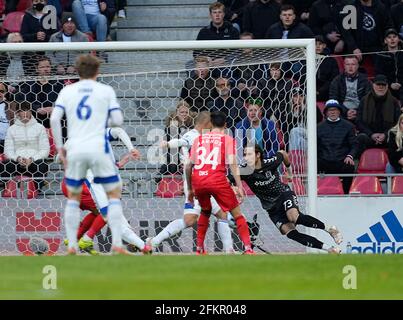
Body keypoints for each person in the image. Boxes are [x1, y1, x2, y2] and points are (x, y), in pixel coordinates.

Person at [50, 54, 126, 255]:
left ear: (77, 71)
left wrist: (59, 148)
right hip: (98, 148)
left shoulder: (68, 91)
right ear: (97, 72)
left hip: (75, 147)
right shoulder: (105, 90)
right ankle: (117, 244)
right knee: (113, 196)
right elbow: (118, 120)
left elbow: (55, 119)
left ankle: (72, 246)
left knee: (73, 199)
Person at [148, 112, 235, 254]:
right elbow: (181, 142)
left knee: (222, 214)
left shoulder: (207, 137)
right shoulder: (192, 135)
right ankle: (154, 242)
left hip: (206, 181)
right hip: (194, 184)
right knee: (189, 220)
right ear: (206, 123)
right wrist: (168, 144)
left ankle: (229, 250)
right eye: (211, 123)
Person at [232, 145, 343, 253]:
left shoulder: (271, 162)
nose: (246, 157)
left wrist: (289, 171)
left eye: (249, 154)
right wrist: (235, 188)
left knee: (294, 217)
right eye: (245, 155)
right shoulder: (244, 170)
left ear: (258, 155)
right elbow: (227, 179)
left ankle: (329, 229)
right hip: (271, 208)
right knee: (290, 233)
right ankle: (329, 249)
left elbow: (283, 153)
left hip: (284, 194)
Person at [61, 127, 151, 255]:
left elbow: (59, 158)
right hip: (84, 184)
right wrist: (131, 148)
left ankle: (75, 238)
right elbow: (119, 131)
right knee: (108, 214)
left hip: (74, 182)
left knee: (100, 212)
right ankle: (86, 239)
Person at [185, 111, 255, 255]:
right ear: (225, 125)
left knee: (205, 210)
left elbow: (188, 166)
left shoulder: (199, 139)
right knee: (237, 214)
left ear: (210, 124)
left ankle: (199, 249)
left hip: (199, 179)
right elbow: (233, 164)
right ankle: (248, 249)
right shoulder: (227, 139)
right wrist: (240, 186)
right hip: (217, 179)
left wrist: (190, 189)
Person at [1, 101, 50, 190]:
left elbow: (45, 150)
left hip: (34, 162)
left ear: (31, 112)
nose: (25, 113)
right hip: (17, 162)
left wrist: (32, 159)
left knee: (42, 164)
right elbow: (8, 151)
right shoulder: (11, 129)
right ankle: (9, 189)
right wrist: (18, 158)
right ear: (17, 113)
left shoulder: (40, 127)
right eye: (22, 111)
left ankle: (35, 189)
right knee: (5, 165)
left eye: (28, 110)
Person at [317, 100, 359, 194]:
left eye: (335, 109)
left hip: (342, 160)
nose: (332, 112)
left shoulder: (348, 126)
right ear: (326, 112)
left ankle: (346, 193)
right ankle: (319, 192)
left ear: (339, 111)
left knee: (349, 166)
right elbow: (316, 146)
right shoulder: (318, 127)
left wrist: (350, 156)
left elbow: (354, 144)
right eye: (330, 110)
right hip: (324, 161)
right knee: (315, 163)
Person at [356, 74, 401, 151]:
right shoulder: (364, 100)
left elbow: (398, 122)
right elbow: (359, 121)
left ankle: (393, 161)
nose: (381, 87)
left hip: (387, 137)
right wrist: (371, 134)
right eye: (378, 84)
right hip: (369, 136)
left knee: (397, 137)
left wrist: (385, 134)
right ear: (373, 85)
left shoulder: (394, 101)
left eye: (383, 85)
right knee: (361, 137)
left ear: (387, 86)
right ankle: (361, 161)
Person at [329, 56, 371, 122]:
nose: (350, 67)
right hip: (342, 111)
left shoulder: (365, 80)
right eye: (348, 64)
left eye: (353, 64)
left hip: (361, 112)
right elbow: (334, 99)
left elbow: (368, 100)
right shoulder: (337, 80)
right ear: (344, 66)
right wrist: (346, 112)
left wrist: (357, 111)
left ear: (357, 66)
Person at [161, 100, 196, 175]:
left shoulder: (193, 126)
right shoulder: (170, 127)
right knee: (172, 165)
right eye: (182, 112)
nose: (184, 114)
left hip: (190, 154)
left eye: (186, 112)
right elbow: (170, 147)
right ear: (177, 113)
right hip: (175, 155)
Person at [374, 28, 403, 101]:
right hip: (387, 87)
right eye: (389, 37)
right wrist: (390, 84)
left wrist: (401, 84)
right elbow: (379, 74)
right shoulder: (380, 56)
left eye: (394, 37)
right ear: (385, 41)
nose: (392, 39)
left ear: (398, 39)